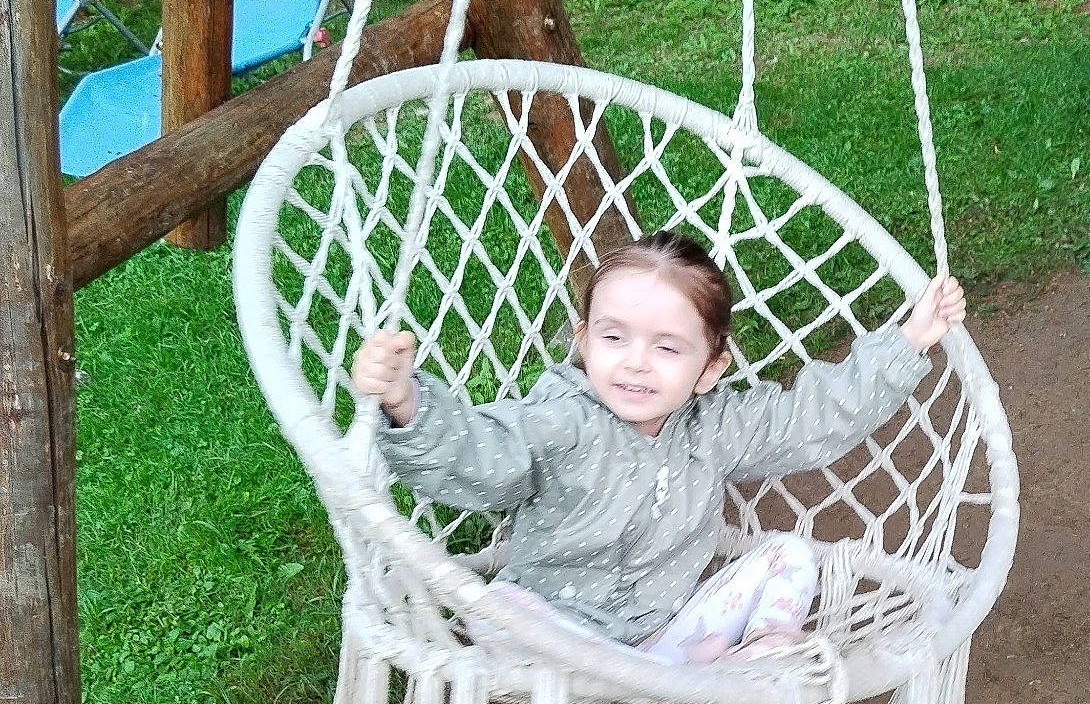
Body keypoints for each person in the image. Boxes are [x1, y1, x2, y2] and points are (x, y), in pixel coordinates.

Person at [353, 231, 965, 664]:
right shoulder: (559, 419)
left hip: (663, 633)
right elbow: (479, 458)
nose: (636, 365)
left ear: (710, 367)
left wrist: (910, 339)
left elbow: (812, 417)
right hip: (549, 631)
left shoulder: (718, 424)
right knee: (499, 606)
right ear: (584, 340)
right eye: (615, 337)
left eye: (667, 348)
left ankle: (763, 655)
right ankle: (667, 671)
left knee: (791, 555)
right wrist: (407, 403)